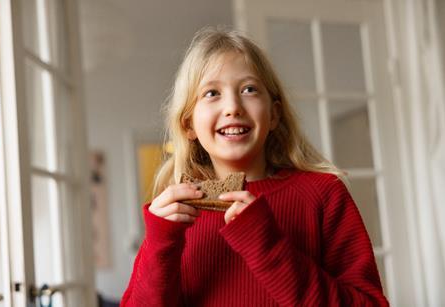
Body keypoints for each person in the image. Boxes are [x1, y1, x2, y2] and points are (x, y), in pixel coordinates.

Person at [120, 26, 389, 306]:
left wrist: (266, 243)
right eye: (212, 93)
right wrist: (160, 243)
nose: (233, 107)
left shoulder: (323, 194)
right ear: (189, 124)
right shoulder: (173, 217)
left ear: (274, 114)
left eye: (249, 89)